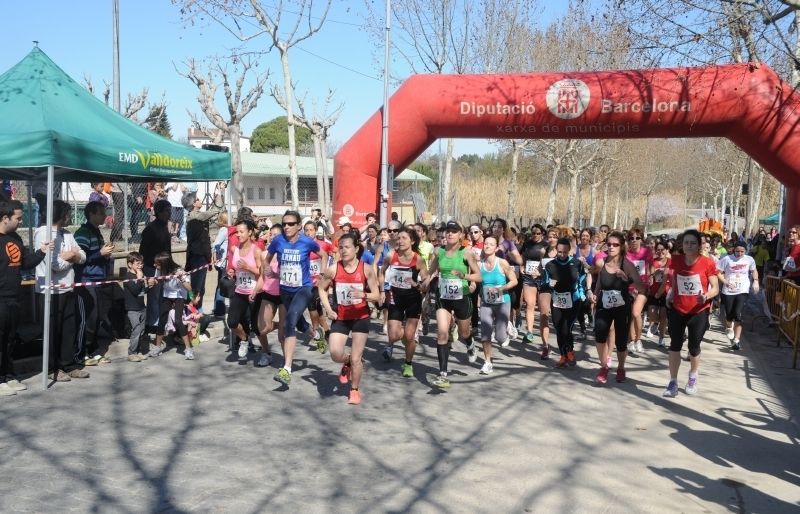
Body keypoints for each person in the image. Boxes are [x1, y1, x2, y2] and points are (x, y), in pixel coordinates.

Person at [264, 210, 327, 386]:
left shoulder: (307, 242)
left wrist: (321, 273)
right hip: (285, 290)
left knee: (289, 322)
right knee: (299, 323)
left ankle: (287, 368)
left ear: (299, 226)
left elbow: (324, 255)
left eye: (291, 224)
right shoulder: (278, 241)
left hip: (304, 289)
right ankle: (316, 335)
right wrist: (269, 270)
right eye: (284, 224)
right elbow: (267, 259)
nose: (287, 227)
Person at [318, 233, 381, 405]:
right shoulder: (333, 269)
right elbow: (321, 289)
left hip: (361, 316)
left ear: (356, 248)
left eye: (347, 247)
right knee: (335, 353)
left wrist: (364, 295)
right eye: (341, 247)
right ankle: (346, 363)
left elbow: (377, 296)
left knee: (356, 357)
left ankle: (354, 390)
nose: (344, 251)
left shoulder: (366, 269)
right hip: (341, 316)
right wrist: (328, 309)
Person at [422, 221, 482, 388]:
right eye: (448, 231)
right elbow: (430, 272)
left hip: (462, 297)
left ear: (461, 235)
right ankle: (443, 374)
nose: (450, 234)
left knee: (463, 332)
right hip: (444, 297)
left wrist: (464, 275)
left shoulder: (466, 253)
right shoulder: (438, 251)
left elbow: (478, 277)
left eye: (454, 231)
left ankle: (470, 343)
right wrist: (424, 284)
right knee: (442, 333)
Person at [0, 197, 51, 395]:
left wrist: (41, 252)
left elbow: (24, 263)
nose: (21, 221)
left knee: (10, 340)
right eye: (18, 218)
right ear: (5, 218)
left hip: (14, 298)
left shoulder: (17, 239)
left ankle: (8, 375)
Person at [34, 200, 90, 382]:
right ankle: (51, 368)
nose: (70, 217)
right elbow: (54, 265)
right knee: (52, 331)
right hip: (49, 291)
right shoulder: (43, 233)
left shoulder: (66, 233)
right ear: (60, 215)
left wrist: (72, 255)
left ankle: (68, 364)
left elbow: (83, 256)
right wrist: (71, 256)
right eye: (67, 214)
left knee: (68, 329)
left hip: (67, 288)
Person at [662, 229, 720, 397]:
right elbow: (675, 278)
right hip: (678, 309)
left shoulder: (707, 263)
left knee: (694, 347)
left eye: (693, 243)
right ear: (682, 244)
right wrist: (671, 293)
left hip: (698, 310)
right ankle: (673, 382)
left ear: (699, 245)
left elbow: (715, 288)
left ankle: (693, 376)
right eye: (686, 242)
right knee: (674, 344)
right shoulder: (676, 260)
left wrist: (706, 296)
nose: (689, 245)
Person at [592, 231, 646, 385]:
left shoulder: (627, 265)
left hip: (622, 307)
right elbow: (599, 281)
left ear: (622, 247)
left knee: (621, 341)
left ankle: (621, 368)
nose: (611, 247)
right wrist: (594, 294)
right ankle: (604, 366)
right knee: (600, 334)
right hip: (604, 305)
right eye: (608, 244)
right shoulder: (601, 262)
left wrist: (627, 279)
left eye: (615, 244)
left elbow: (642, 288)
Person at [381, 226, 428, 377]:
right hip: (396, 298)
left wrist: (419, 285)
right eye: (399, 238)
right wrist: (382, 290)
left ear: (412, 241)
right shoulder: (391, 255)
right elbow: (381, 272)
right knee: (393, 335)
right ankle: (406, 339)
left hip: (413, 299)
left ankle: (408, 364)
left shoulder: (418, 259)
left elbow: (426, 280)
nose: (400, 241)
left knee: (409, 336)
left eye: (404, 238)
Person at [74, 201, 115, 366]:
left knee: (97, 317)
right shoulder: (82, 232)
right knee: (88, 319)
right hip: (85, 281)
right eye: (101, 213)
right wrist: (100, 253)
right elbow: (80, 260)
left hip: (98, 280)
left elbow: (95, 255)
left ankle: (92, 349)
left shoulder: (96, 232)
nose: (105, 216)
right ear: (92, 214)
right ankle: (82, 352)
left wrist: (104, 254)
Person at [543, 237, 589, 368]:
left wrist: (582, 294)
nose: (562, 254)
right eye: (559, 252)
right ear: (556, 251)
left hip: (573, 300)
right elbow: (544, 283)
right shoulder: (550, 265)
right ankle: (563, 356)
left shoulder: (576, 263)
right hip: (557, 300)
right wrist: (550, 284)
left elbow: (582, 278)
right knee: (558, 328)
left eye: (564, 252)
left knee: (566, 328)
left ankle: (570, 351)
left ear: (569, 250)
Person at [477, 235, 517, 374]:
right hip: (486, 302)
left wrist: (501, 288)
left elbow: (514, 281)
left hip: (502, 302)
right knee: (485, 333)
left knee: (500, 338)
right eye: (485, 244)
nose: (487, 246)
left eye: (491, 244)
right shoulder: (479, 264)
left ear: (496, 247)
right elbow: (475, 281)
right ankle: (488, 362)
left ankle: (507, 326)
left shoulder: (502, 263)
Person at [185, 182, 226, 309]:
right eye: (197, 199)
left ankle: (196, 311)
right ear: (193, 204)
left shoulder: (196, 216)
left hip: (199, 255)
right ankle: (193, 312)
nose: (199, 200)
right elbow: (215, 210)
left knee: (199, 287)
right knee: (197, 287)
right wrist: (220, 192)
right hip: (198, 256)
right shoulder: (195, 216)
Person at [227, 218, 262, 360]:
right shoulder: (235, 249)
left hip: (254, 292)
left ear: (250, 232)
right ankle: (244, 339)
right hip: (239, 291)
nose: (238, 235)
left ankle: (266, 352)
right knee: (232, 322)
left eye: (242, 232)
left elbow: (261, 273)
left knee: (256, 326)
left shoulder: (256, 250)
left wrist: (248, 267)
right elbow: (234, 267)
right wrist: (232, 271)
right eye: (237, 232)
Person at [150, 251, 195, 360]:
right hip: (167, 295)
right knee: (162, 320)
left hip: (179, 295)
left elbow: (189, 288)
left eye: (157, 263)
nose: (155, 265)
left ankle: (188, 349)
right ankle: (157, 347)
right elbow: (158, 281)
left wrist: (181, 278)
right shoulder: (159, 270)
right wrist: (153, 282)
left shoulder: (178, 271)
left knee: (178, 321)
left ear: (164, 264)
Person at [253, 224, 285, 367]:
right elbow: (262, 276)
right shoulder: (264, 254)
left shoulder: (286, 253)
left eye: (276, 234)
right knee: (262, 328)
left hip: (284, 294)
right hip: (268, 293)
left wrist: (276, 275)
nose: (273, 236)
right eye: (271, 234)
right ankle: (280, 326)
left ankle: (287, 364)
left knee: (282, 336)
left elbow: (291, 277)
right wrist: (255, 290)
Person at [717, 240, 758, 351]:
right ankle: (729, 326)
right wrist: (725, 282)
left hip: (742, 289)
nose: (739, 254)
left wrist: (756, 281)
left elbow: (754, 270)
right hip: (728, 290)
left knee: (738, 314)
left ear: (746, 251)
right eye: (737, 251)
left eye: (742, 251)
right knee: (729, 314)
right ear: (734, 250)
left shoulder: (749, 259)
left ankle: (737, 340)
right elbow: (718, 272)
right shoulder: (727, 259)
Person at [139, 199, 172, 332]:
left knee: (161, 297)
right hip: (152, 268)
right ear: (158, 212)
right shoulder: (150, 229)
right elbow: (143, 251)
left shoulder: (164, 227)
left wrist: (170, 265)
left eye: (170, 211)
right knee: (154, 297)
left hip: (163, 267)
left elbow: (167, 250)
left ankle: (160, 322)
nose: (169, 214)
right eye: (167, 211)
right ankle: (152, 324)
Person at [304, 220, 333, 352]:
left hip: (317, 282)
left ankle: (316, 331)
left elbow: (328, 255)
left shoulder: (322, 244)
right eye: (306, 230)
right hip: (305, 281)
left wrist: (322, 274)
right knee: (316, 308)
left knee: (312, 304)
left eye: (311, 230)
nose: (309, 232)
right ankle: (327, 331)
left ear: (316, 231)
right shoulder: (302, 245)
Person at [625, 227, 652, 355]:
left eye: (637, 238)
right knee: (630, 315)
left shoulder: (647, 252)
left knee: (636, 313)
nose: (634, 240)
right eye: (631, 238)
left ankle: (638, 340)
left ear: (641, 239)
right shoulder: (625, 254)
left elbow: (652, 267)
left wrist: (651, 277)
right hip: (629, 288)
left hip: (642, 288)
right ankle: (631, 341)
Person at [122, 252, 149, 362]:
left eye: (141, 264)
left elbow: (142, 291)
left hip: (142, 307)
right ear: (130, 264)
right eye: (137, 264)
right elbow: (134, 290)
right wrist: (139, 278)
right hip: (132, 309)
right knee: (136, 330)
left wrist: (149, 285)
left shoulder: (140, 275)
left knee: (142, 330)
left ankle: (138, 351)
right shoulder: (128, 276)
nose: (140, 266)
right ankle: (131, 353)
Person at [646, 240, 671, 348]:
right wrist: (654, 273)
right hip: (654, 291)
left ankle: (661, 338)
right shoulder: (653, 261)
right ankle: (655, 323)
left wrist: (666, 274)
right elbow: (649, 275)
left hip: (666, 291)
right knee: (652, 314)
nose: (660, 252)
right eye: (658, 250)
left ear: (666, 250)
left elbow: (673, 275)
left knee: (663, 316)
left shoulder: (671, 261)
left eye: (662, 250)